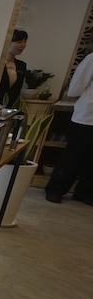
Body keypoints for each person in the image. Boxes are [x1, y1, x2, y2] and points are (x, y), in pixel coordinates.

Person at [45, 54, 93, 204]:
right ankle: (55, 189)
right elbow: (76, 87)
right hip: (86, 117)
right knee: (73, 157)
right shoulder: (92, 58)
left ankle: (84, 192)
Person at [0, 29, 28, 107]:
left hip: (11, 107)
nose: (23, 45)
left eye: (25, 41)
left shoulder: (21, 65)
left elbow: (17, 90)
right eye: (19, 42)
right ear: (8, 43)